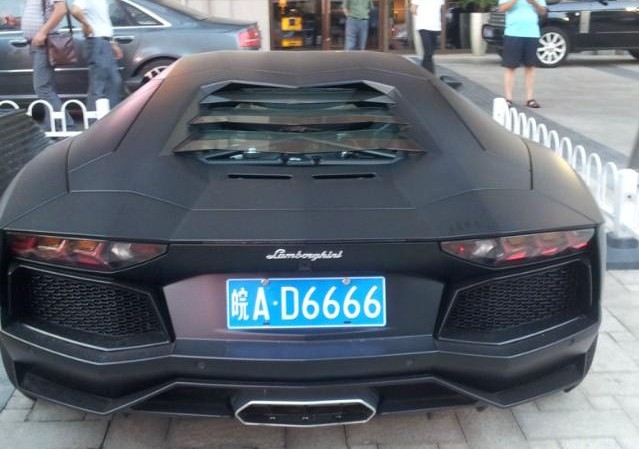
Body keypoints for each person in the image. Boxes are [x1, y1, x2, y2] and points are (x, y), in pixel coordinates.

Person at [21, 0, 74, 130]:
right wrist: (17, 22)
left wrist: (42, 32)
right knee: (46, 87)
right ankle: (52, 127)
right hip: (37, 44)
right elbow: (40, 16)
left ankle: (66, 126)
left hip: (44, 43)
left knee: (42, 87)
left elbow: (61, 9)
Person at [71, 0, 123, 111]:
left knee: (111, 82)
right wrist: (86, 24)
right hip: (96, 41)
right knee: (101, 84)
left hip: (104, 41)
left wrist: (112, 42)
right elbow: (75, 10)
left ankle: (108, 118)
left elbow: (104, 21)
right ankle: (97, 121)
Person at [498, 0, 547, 108]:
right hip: (513, 33)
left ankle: (530, 99)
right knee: (510, 66)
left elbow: (543, 11)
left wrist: (534, 2)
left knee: (530, 67)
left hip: (532, 33)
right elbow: (501, 8)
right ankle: (508, 99)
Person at [411, 0, 444, 74]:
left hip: (435, 26)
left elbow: (440, 9)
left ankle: (422, 72)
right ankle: (431, 74)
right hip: (423, 26)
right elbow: (413, 9)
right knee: (428, 51)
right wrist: (422, 18)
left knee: (431, 52)